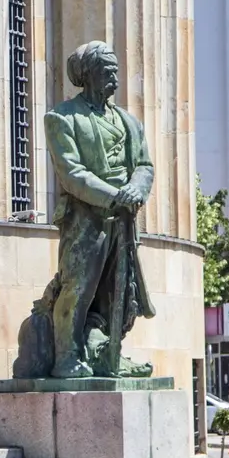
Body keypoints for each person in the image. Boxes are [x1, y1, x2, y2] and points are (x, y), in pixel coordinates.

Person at [43, 41, 155, 379]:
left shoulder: (129, 122)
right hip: (85, 219)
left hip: (124, 219)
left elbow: (144, 165)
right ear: (87, 74)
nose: (115, 79)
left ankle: (107, 352)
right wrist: (114, 195)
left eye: (116, 71)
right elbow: (72, 173)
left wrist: (136, 188)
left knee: (117, 291)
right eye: (107, 71)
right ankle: (66, 356)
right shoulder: (62, 118)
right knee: (78, 285)